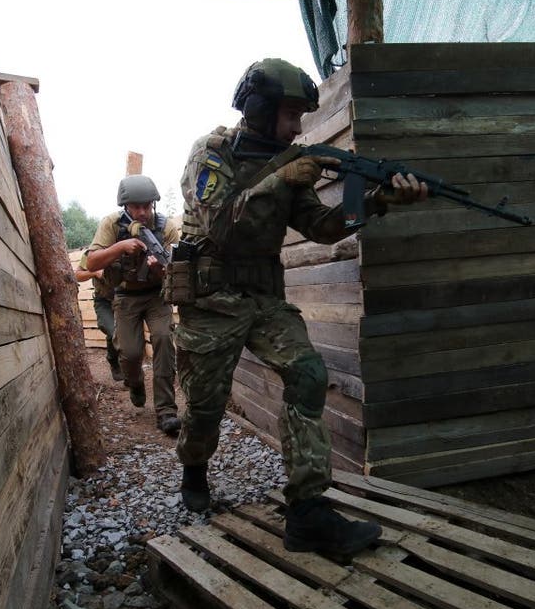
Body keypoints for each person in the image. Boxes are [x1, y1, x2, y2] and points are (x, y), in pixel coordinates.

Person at [168, 58, 428, 557]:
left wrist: (375, 201)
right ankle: (195, 469)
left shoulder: (290, 161)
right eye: (289, 114)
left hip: (264, 297)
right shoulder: (212, 153)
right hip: (210, 299)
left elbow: (324, 227)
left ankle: (308, 511)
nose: (296, 127)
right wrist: (281, 179)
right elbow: (221, 225)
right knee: (204, 406)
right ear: (259, 109)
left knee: (308, 375)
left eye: (302, 117)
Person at [81, 175, 182, 435]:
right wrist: (121, 247)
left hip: (157, 296)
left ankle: (166, 410)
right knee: (131, 352)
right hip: (125, 297)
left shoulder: (166, 226)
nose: (142, 212)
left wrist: (161, 270)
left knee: (162, 340)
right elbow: (91, 263)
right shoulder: (111, 225)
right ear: (125, 206)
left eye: (147, 206)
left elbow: (177, 271)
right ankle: (135, 382)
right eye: (136, 207)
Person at [73, 267, 122, 382]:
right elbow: (78, 275)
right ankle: (114, 361)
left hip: (124, 299)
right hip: (103, 302)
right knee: (112, 330)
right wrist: (94, 272)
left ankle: (130, 368)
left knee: (123, 333)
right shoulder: (94, 251)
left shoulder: (127, 249)